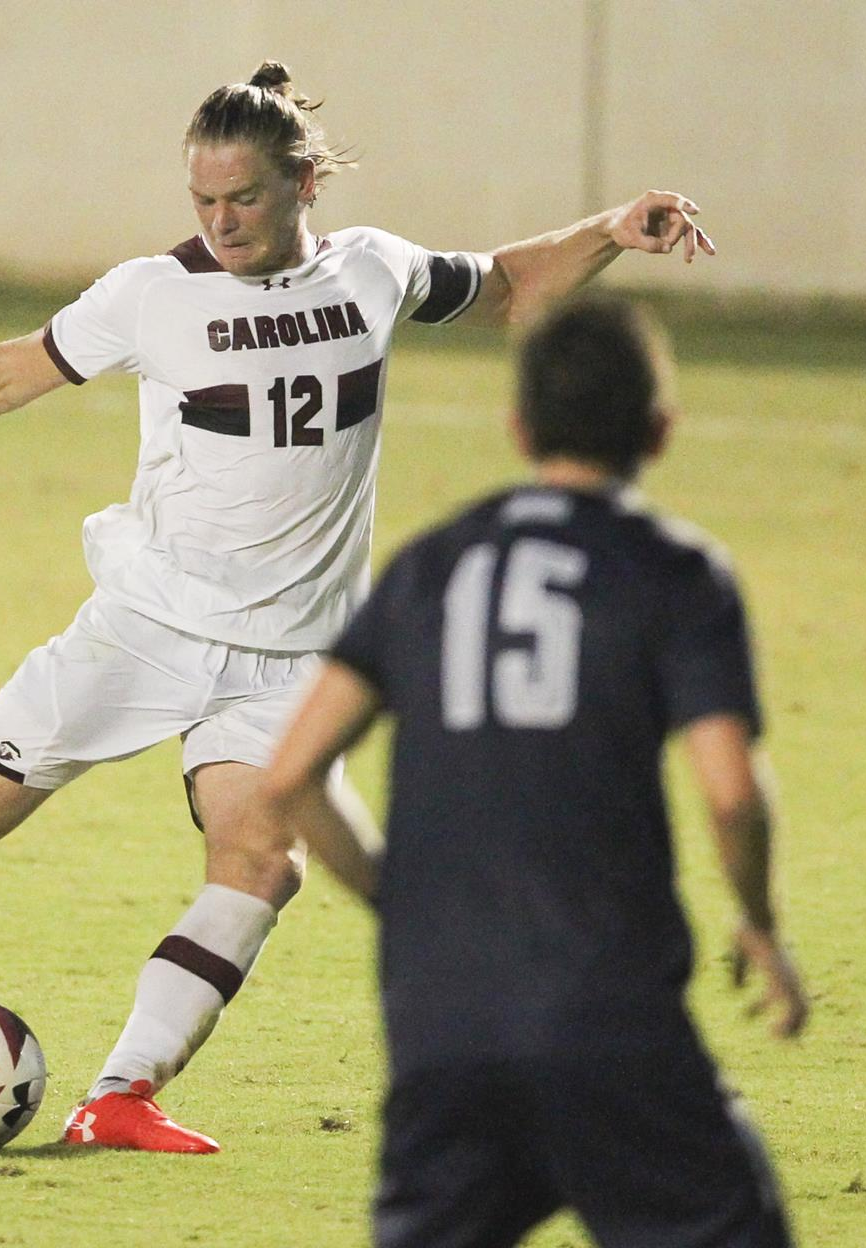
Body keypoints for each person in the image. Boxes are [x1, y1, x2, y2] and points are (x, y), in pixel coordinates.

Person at [0, 61, 716, 1154]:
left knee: (258, 861)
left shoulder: (372, 272)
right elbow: (8, 373)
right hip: (147, 630)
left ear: (300, 187)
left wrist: (613, 228)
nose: (223, 222)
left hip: (289, 659)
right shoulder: (153, 296)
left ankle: (120, 1095)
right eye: (203, 201)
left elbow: (511, 287)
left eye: (244, 199)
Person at [254, 295, 808, 1247]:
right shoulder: (676, 572)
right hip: (611, 1019)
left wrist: (402, 899)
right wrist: (758, 922)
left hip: (441, 1025)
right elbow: (731, 793)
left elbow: (291, 776)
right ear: (659, 431)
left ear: (518, 428)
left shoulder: (430, 565)